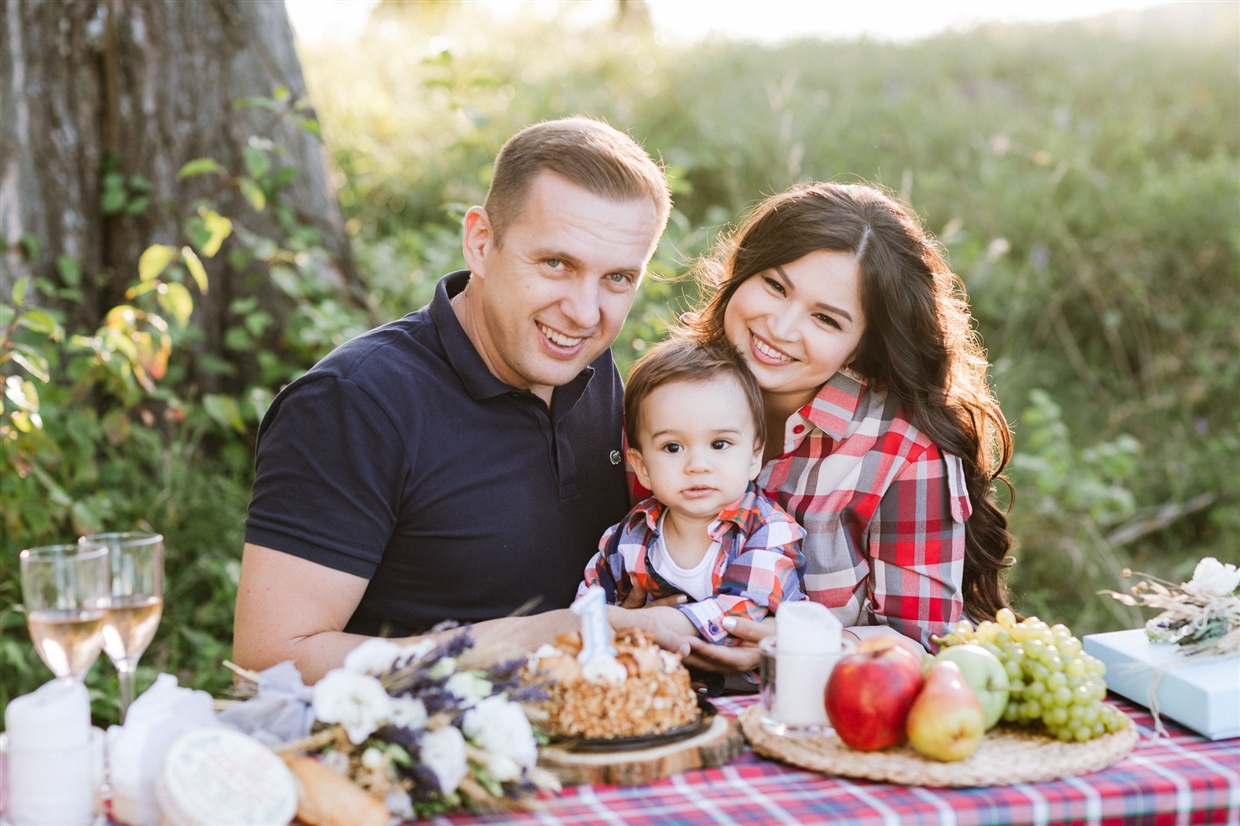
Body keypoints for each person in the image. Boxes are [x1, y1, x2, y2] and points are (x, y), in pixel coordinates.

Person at [233, 118, 677, 683]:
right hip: (422, 759)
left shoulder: (589, 363)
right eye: (556, 264)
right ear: (481, 242)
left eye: (617, 278)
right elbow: (265, 664)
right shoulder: (354, 405)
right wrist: (551, 633)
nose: (585, 313)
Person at [655, 181, 1015, 674]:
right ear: (742, 274)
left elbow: (927, 641)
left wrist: (805, 641)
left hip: (821, 716)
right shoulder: (669, 396)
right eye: (775, 286)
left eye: (825, 319)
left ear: (862, 344)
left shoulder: (902, 453)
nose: (779, 328)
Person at [578, 337, 807, 655]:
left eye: (719, 444)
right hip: (657, 694)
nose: (697, 465)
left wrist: (638, 624)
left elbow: (741, 612)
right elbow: (586, 611)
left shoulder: (768, 530)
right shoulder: (628, 538)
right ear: (642, 467)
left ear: (754, 457)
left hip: (754, 698)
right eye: (673, 447)